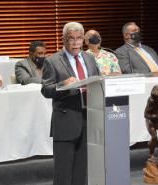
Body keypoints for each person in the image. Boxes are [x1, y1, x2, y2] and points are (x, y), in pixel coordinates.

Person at [41, 22, 99, 185]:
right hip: (66, 120)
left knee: (82, 170)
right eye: (71, 38)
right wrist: (62, 85)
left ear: (83, 39)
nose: (75, 42)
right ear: (64, 39)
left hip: (89, 118)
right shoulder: (53, 61)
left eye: (79, 38)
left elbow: (98, 81)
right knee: (63, 172)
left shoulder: (89, 58)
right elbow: (46, 90)